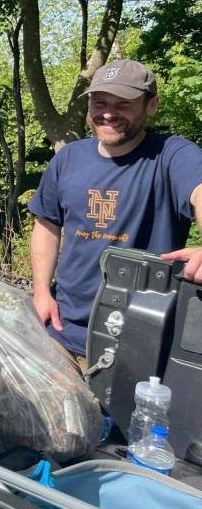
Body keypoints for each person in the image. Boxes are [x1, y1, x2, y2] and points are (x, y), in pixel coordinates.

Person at [29, 59, 202, 363]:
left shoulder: (171, 155)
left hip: (142, 342)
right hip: (61, 333)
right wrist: (41, 291)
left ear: (152, 106)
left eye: (123, 103)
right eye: (100, 102)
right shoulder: (68, 158)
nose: (108, 112)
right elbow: (47, 226)